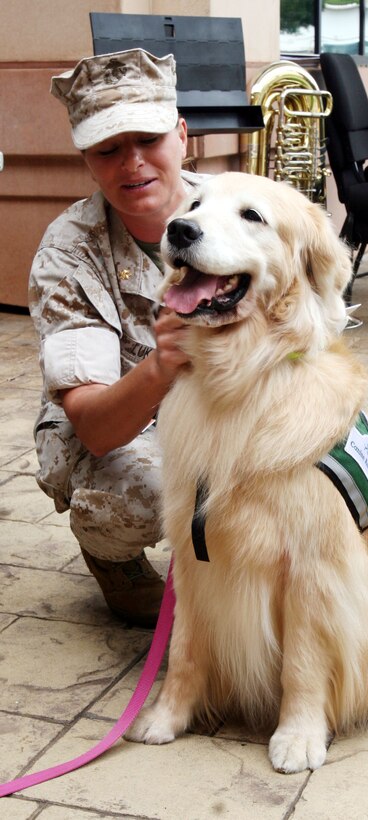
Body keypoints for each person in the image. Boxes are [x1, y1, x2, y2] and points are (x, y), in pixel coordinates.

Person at [28, 48, 206, 627]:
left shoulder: (242, 211)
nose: (132, 164)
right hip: (123, 424)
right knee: (140, 494)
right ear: (86, 158)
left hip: (220, 406)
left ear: (182, 136)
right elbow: (98, 429)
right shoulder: (68, 252)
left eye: (149, 140)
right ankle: (114, 558)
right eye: (108, 148)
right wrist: (163, 366)